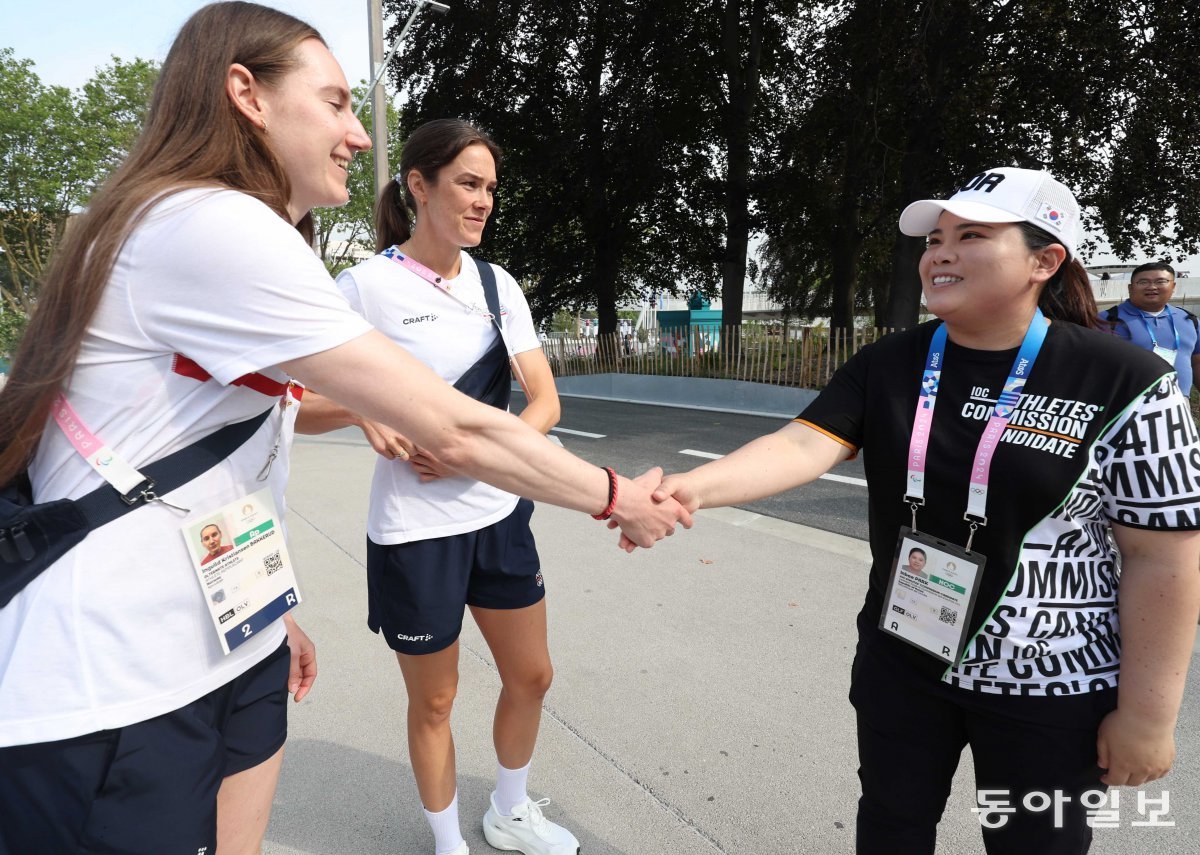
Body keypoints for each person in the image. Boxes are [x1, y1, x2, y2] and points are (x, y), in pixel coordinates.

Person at [0, 5, 687, 854]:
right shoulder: (208, 223)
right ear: (246, 94)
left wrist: (263, 606)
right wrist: (616, 493)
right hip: (116, 681)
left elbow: (247, 444)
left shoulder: (235, 230)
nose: (359, 136)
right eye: (334, 104)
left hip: (223, 637)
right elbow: (452, 424)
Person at [646, 167, 1200, 854]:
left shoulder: (1128, 382)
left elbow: (1164, 557)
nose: (939, 253)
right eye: (935, 238)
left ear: (1044, 260)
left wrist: (1148, 715)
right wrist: (693, 487)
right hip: (905, 656)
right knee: (892, 824)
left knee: (1036, 845)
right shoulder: (892, 362)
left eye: (970, 236)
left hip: (1048, 684)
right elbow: (799, 444)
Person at [295, 119, 577, 855]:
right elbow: (291, 403)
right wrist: (363, 408)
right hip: (415, 534)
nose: (483, 201)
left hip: (499, 516)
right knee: (437, 700)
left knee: (533, 674)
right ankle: (448, 843)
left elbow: (543, 403)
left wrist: (476, 456)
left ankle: (509, 813)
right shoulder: (364, 287)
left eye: (490, 188)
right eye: (467, 184)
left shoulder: (496, 283)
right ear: (418, 186)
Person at [1100, 261, 1200, 394]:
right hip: (1128, 408)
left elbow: (1196, 363)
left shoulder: (1189, 319)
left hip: (1180, 405)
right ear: (1130, 288)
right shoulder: (1106, 320)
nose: (1152, 287)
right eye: (1143, 282)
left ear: (1173, 286)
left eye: (1160, 281)